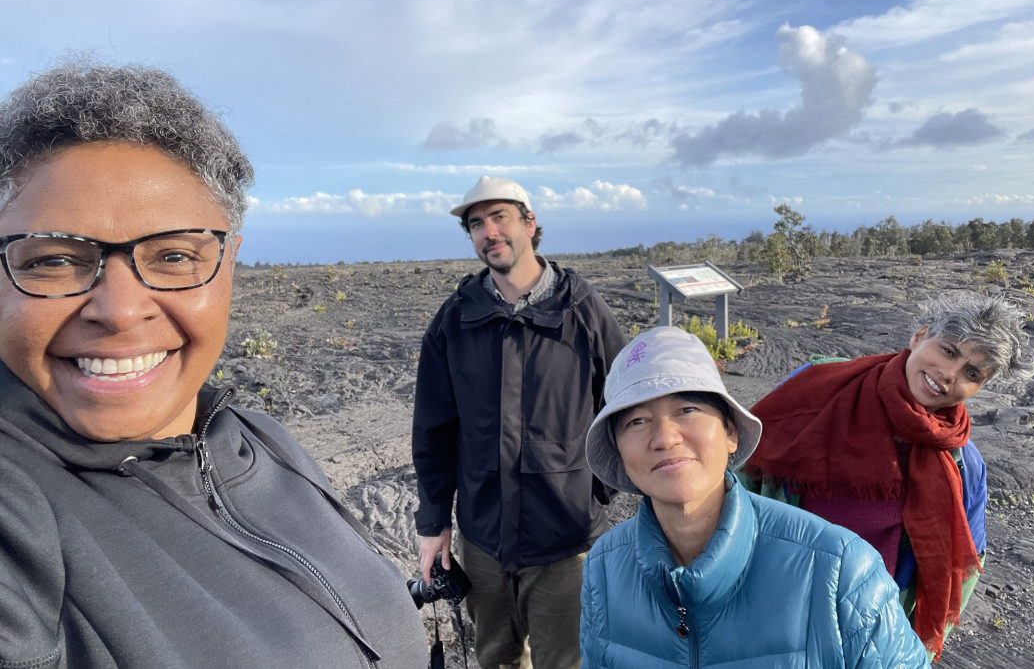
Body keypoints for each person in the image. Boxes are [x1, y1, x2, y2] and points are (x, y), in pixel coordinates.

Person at [0, 63, 428, 668]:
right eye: (52, 260)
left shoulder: (262, 441)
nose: (121, 311)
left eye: (172, 254)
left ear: (229, 267)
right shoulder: (16, 512)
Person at [580, 326, 930, 667]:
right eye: (637, 422)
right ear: (621, 457)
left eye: (687, 410)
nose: (665, 438)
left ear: (730, 433)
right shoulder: (605, 567)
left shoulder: (839, 569)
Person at [740, 291, 1034, 661]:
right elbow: (741, 476)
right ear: (920, 337)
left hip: (872, 629)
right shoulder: (822, 387)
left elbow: (964, 568)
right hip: (773, 604)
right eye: (948, 350)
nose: (950, 375)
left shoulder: (962, 462)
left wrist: (910, 650)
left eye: (972, 373)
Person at [412, 175, 628, 669]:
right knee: (496, 659)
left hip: (565, 538)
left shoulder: (582, 311)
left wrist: (598, 490)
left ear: (530, 224)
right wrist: (433, 524)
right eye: (476, 224)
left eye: (500, 217)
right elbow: (434, 429)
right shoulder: (455, 320)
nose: (489, 232)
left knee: (567, 662)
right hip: (484, 537)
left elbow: (624, 405)